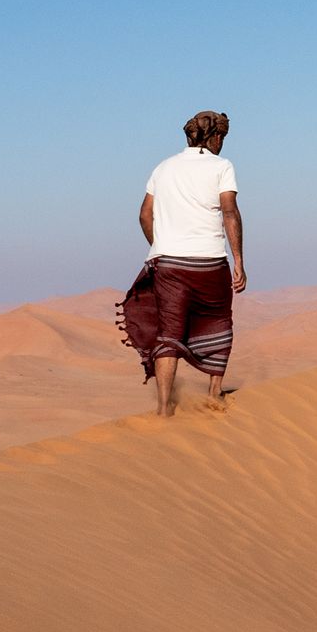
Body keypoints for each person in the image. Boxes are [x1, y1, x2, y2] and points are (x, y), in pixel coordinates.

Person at [118, 110, 248, 416]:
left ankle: (164, 408)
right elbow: (229, 212)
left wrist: (161, 245)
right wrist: (239, 260)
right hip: (209, 262)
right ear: (215, 137)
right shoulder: (221, 166)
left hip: (168, 264)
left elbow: (144, 214)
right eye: (222, 138)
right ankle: (214, 394)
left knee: (169, 333)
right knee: (218, 322)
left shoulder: (162, 168)